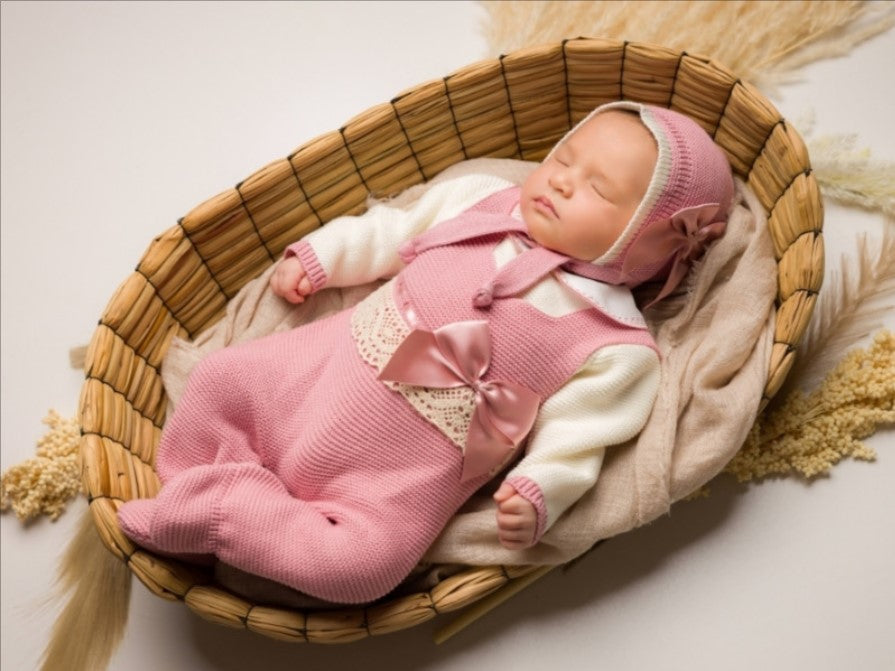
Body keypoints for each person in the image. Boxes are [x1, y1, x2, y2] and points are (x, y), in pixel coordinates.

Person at [118, 102, 734, 604]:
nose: (562, 180)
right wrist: (323, 257)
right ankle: (198, 488)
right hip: (316, 373)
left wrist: (540, 489)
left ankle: (229, 514)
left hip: (399, 478)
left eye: (598, 188)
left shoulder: (615, 343)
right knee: (221, 377)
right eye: (564, 158)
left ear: (654, 244)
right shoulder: (481, 200)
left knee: (366, 572)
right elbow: (392, 230)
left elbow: (581, 436)